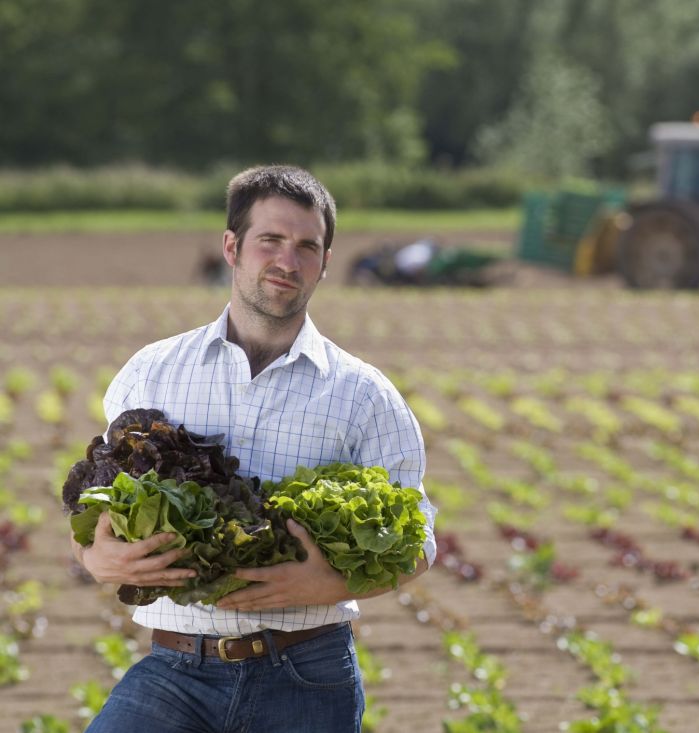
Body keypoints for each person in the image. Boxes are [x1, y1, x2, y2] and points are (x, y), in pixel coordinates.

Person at [70, 165, 436, 732]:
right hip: (174, 669)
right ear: (232, 247)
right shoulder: (152, 372)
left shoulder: (365, 396)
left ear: (326, 263)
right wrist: (94, 559)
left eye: (307, 247)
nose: (288, 262)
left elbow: (419, 539)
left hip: (306, 673)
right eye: (271, 240)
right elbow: (96, 506)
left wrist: (328, 585)